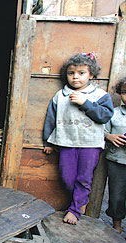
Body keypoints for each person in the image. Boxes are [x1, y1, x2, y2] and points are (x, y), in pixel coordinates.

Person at [43, 52, 114, 225]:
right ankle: (81, 200)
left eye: (81, 73)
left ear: (91, 75)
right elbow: (50, 119)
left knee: (84, 177)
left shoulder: (99, 95)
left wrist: (86, 103)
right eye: (71, 73)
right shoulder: (60, 96)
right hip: (66, 142)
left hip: (90, 144)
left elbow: (105, 116)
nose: (75, 77)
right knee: (67, 178)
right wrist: (48, 141)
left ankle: (74, 210)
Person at [104, 77, 126, 233]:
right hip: (117, 160)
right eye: (125, 92)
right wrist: (109, 136)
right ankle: (117, 226)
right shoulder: (114, 113)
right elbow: (103, 130)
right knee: (116, 195)